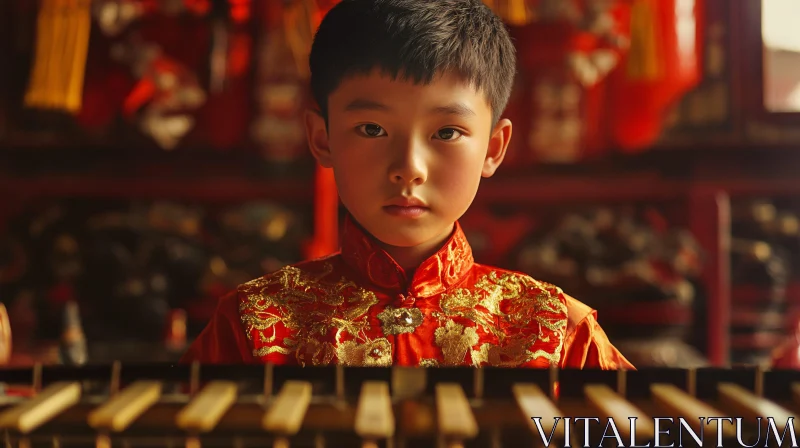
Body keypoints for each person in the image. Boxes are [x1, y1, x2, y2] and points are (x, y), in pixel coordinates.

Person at [181, 0, 634, 369]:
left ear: (494, 148)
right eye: (372, 129)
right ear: (322, 140)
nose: (409, 168)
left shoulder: (556, 331)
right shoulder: (251, 326)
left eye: (446, 132)